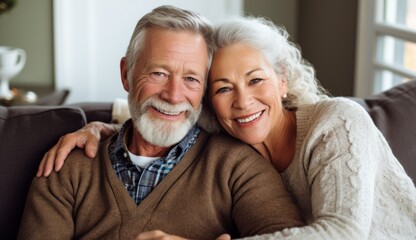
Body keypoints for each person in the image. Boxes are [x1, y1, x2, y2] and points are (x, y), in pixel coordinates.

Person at [38, 15, 416, 240]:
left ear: (282, 79)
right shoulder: (221, 122)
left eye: (256, 80)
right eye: (223, 87)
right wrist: (98, 126)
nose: (242, 101)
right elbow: (163, 106)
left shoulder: (337, 122)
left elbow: (344, 235)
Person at [18, 6, 305, 240]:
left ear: (204, 89)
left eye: (191, 79)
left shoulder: (238, 167)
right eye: (158, 73)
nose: (173, 95)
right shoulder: (67, 166)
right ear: (126, 74)